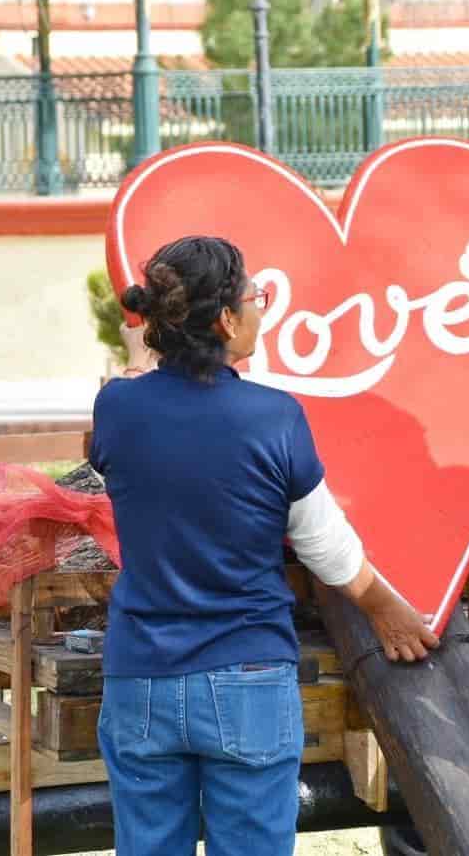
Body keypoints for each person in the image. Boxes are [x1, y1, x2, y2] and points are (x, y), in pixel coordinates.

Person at [89, 235, 438, 856]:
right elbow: (325, 547)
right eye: (257, 298)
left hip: (141, 674)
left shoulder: (117, 408)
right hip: (245, 673)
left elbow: (138, 386)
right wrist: (387, 609)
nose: (261, 311)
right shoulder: (273, 417)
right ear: (225, 319)